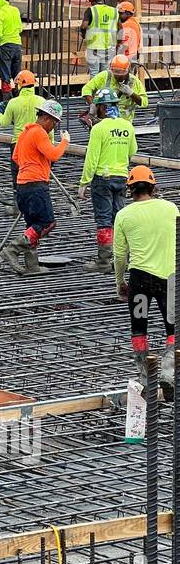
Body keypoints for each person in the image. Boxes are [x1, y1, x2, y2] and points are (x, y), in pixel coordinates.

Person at [114, 165, 178, 397]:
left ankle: (145, 377)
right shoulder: (171, 209)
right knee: (174, 327)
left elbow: (120, 255)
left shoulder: (123, 215)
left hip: (139, 280)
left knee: (139, 328)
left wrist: (120, 282)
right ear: (153, 186)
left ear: (130, 189)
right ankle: (169, 374)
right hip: (169, 279)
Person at [2, 100, 69, 275]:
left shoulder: (25, 133)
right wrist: (64, 142)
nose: (54, 127)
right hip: (36, 185)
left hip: (22, 186)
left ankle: (31, 266)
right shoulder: (39, 133)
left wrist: (33, 161)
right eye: (54, 122)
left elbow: (16, 157)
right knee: (47, 222)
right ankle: (13, 249)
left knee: (32, 226)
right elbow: (54, 155)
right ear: (46, 118)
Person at [78, 89, 137, 274]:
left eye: (96, 106)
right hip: (121, 177)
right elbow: (132, 151)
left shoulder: (99, 129)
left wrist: (84, 183)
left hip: (102, 179)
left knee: (103, 219)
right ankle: (122, 260)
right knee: (119, 219)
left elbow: (92, 158)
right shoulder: (127, 126)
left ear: (103, 107)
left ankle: (104, 261)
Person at [0, 69, 51, 190]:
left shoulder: (13, 102)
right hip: (38, 142)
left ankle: (18, 202)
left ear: (20, 85)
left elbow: (4, 123)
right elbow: (49, 126)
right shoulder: (42, 101)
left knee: (18, 172)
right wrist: (50, 143)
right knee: (37, 171)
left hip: (18, 143)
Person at [82, 55, 148, 124]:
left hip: (124, 123)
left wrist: (132, 94)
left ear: (128, 70)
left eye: (122, 74)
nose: (118, 76)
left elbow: (144, 102)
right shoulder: (104, 76)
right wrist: (92, 105)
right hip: (103, 122)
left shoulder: (134, 82)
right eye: (116, 73)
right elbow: (86, 89)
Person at [78, 0, 118, 78]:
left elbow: (84, 26)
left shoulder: (91, 10)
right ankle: (104, 91)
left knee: (94, 73)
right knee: (105, 73)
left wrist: (82, 34)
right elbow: (119, 27)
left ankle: (95, 91)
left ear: (92, 1)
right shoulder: (114, 11)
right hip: (109, 47)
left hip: (94, 47)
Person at [117, 1, 142, 65]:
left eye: (121, 13)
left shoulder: (127, 25)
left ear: (128, 13)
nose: (119, 15)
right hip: (134, 55)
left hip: (128, 56)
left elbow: (124, 44)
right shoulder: (134, 22)